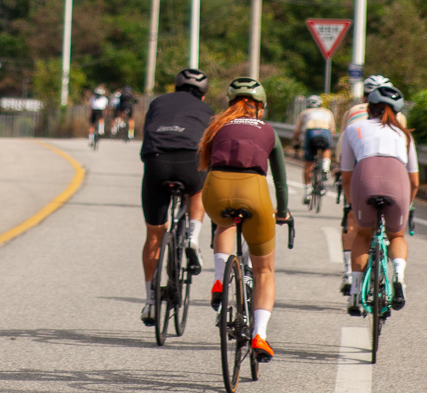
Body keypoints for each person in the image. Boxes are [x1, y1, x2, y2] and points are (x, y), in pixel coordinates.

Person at [198, 76, 289, 363]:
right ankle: (259, 334)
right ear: (260, 107)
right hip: (253, 190)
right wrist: (283, 211)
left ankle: (218, 280)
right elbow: (281, 181)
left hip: (215, 191)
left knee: (224, 223)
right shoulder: (268, 130)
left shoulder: (217, 126)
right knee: (264, 270)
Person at [136, 68, 212, 326]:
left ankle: (150, 302)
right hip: (190, 160)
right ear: (203, 95)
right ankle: (192, 236)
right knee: (198, 189)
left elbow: (148, 132)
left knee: (154, 235)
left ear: (175, 87)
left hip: (157, 161)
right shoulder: (207, 110)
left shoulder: (159, 102)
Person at [340, 86, 418, 313]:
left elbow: (347, 175)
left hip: (365, 178)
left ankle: (355, 293)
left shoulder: (353, 128)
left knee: (363, 235)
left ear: (369, 107)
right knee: (397, 235)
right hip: (397, 181)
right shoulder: (404, 134)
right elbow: (414, 181)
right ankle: (399, 278)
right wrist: (408, 205)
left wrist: (350, 205)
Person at [297, 95, 335, 191]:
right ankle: (325, 166)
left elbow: (297, 131)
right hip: (325, 133)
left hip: (310, 134)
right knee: (326, 148)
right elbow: (332, 130)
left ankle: (307, 190)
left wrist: (296, 142)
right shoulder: (327, 112)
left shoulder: (304, 113)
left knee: (308, 164)